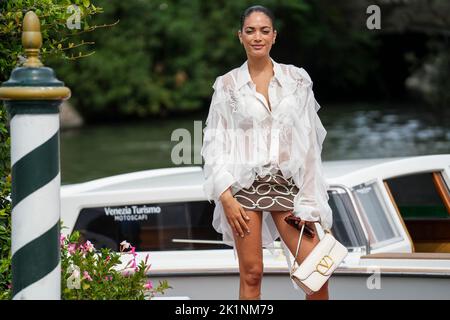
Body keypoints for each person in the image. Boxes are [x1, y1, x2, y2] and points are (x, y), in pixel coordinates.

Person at [200, 5, 333, 300]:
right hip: (244, 188)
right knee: (252, 274)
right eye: (250, 31)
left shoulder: (298, 80)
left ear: (274, 36)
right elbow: (214, 144)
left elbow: (310, 146)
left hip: (287, 186)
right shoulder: (226, 85)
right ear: (240, 36)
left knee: (317, 272)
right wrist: (226, 197)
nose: (257, 37)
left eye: (264, 30)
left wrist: (311, 205)